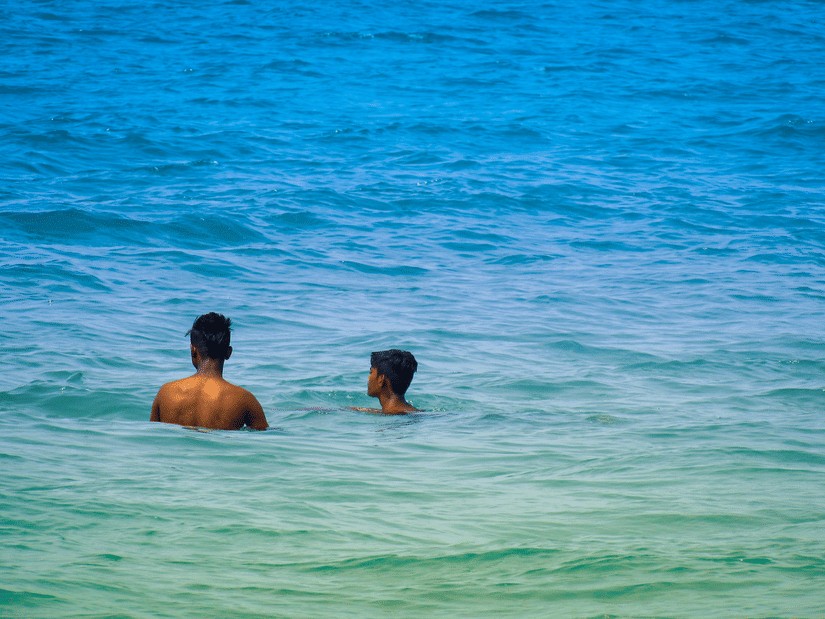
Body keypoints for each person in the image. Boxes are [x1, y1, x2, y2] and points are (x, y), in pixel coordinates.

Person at [150, 312, 268, 430]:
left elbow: (151, 439)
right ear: (228, 353)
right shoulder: (244, 400)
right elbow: (265, 440)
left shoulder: (165, 393)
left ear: (193, 350)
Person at [366, 349, 420, 414]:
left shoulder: (390, 418)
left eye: (371, 372)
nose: (369, 377)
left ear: (381, 379)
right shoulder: (414, 412)